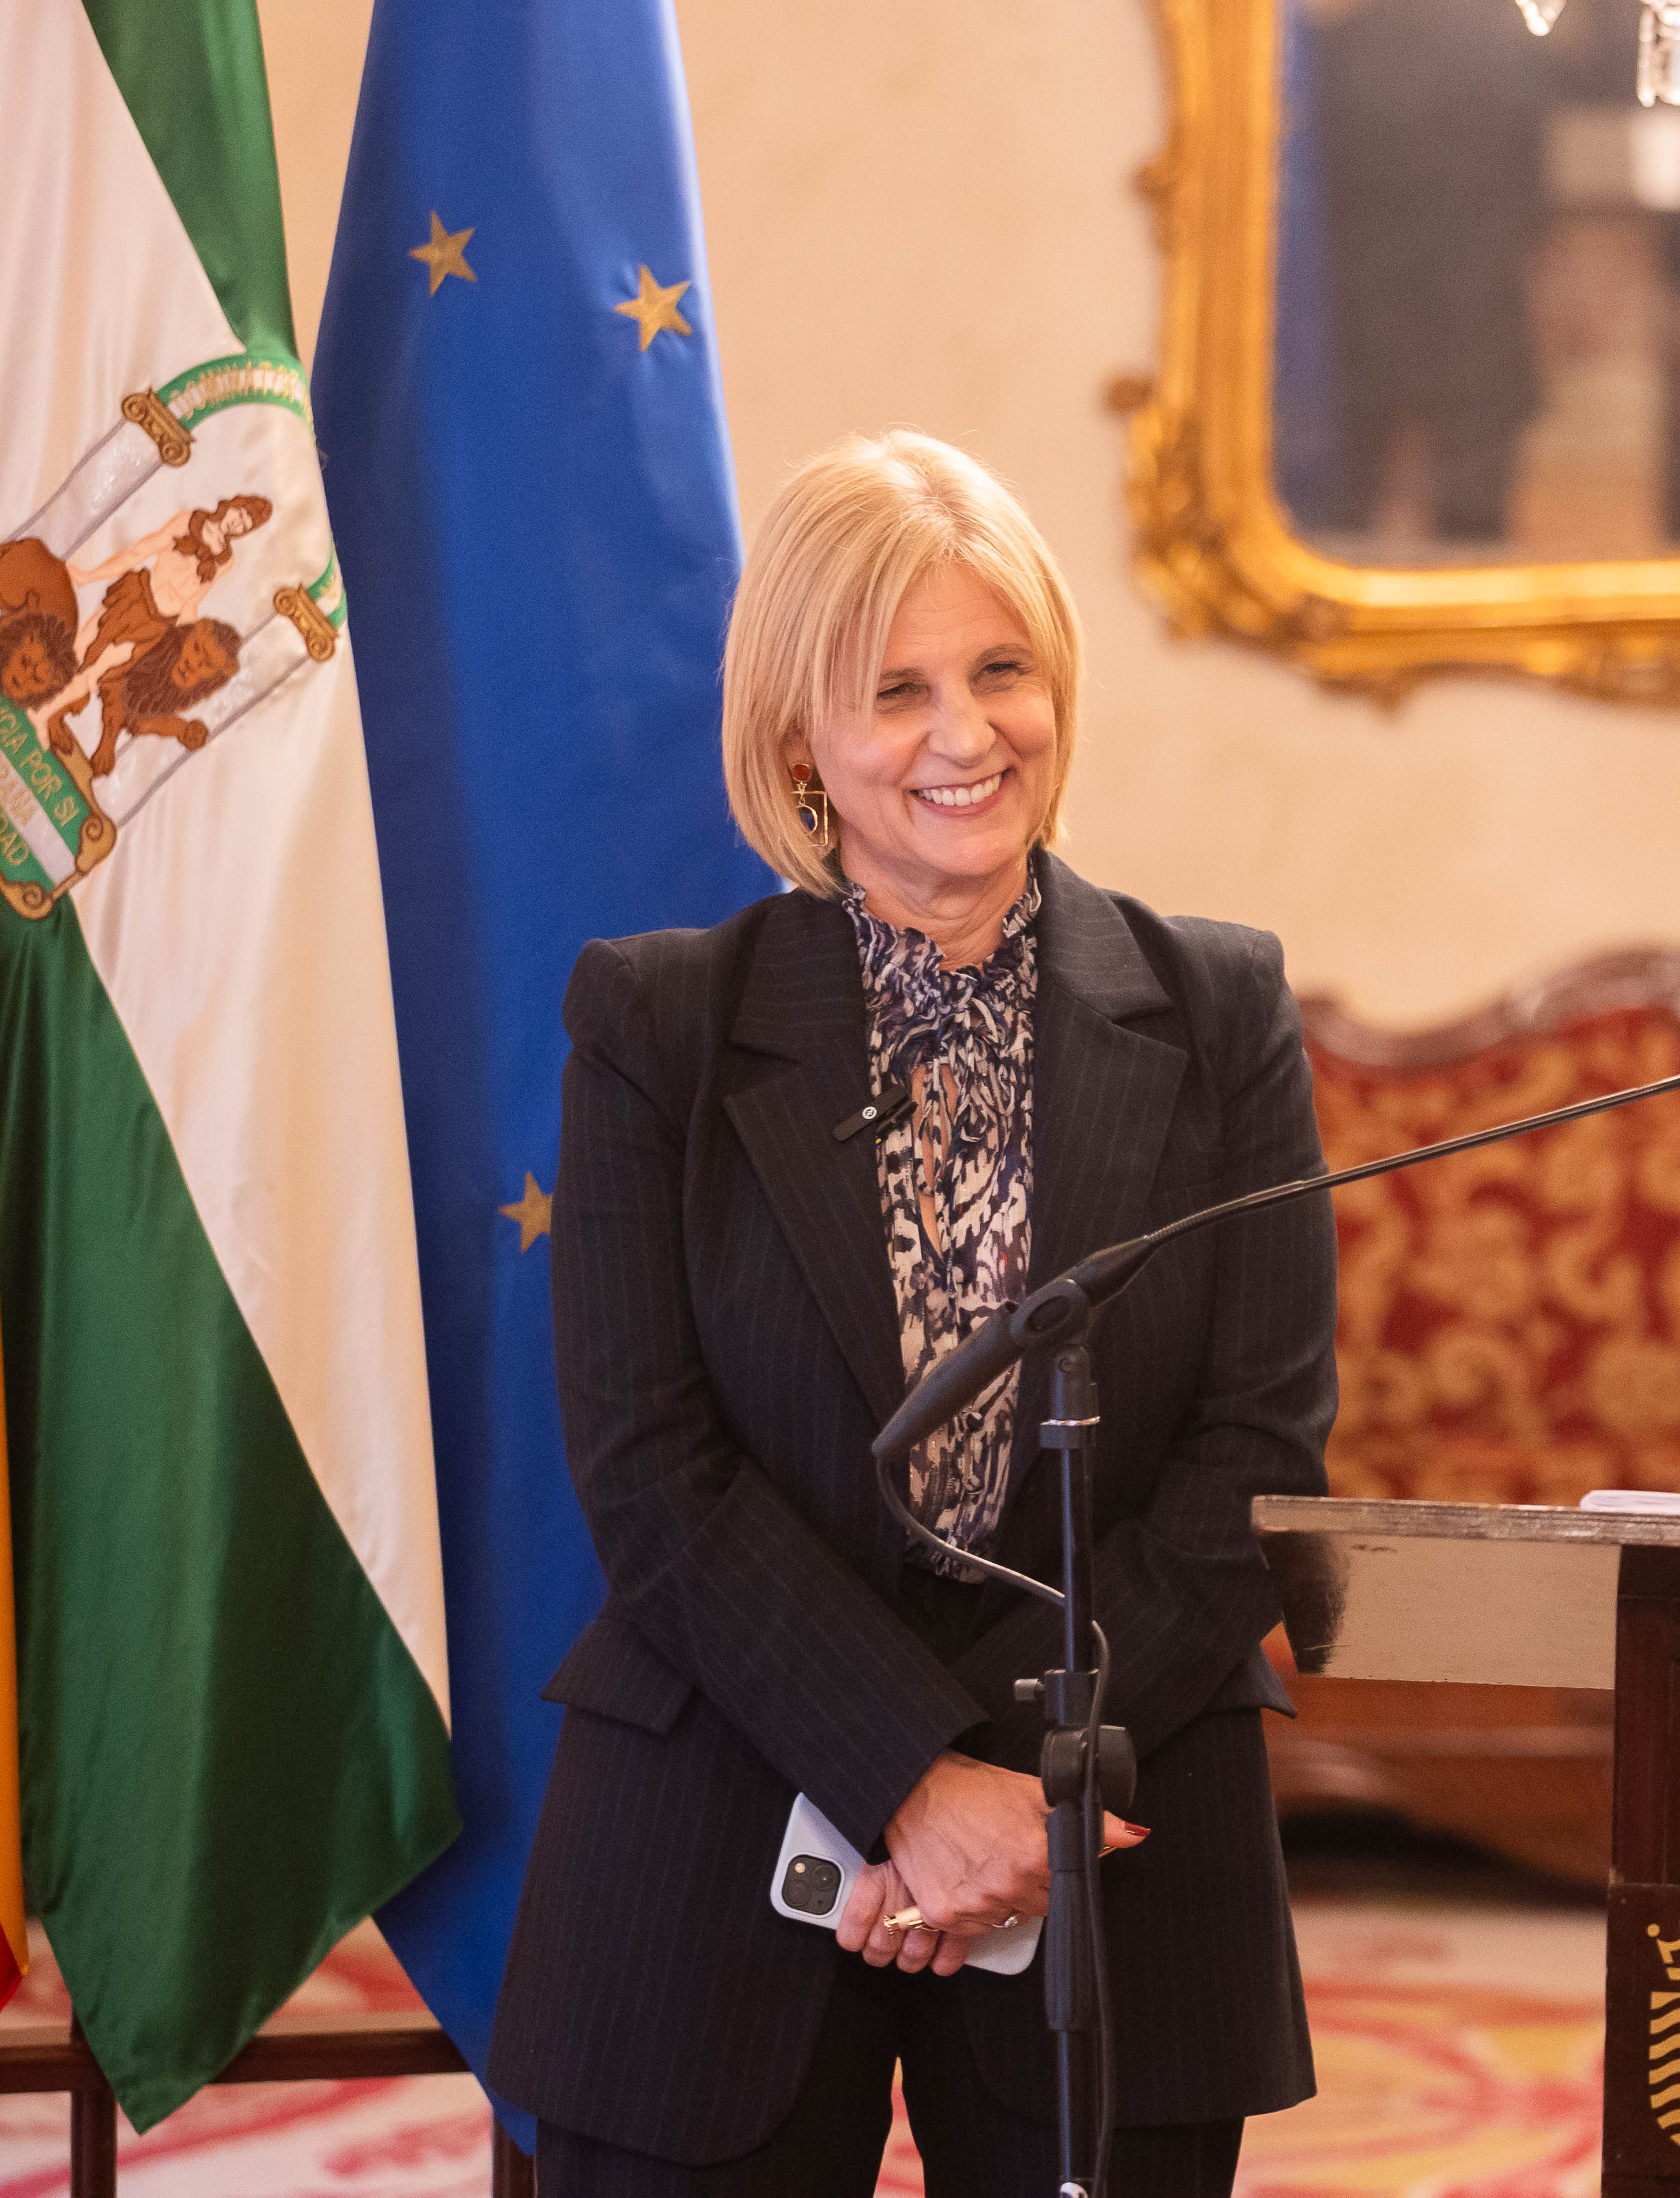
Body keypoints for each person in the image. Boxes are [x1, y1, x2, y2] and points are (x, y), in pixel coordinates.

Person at [486, 431, 1335, 2195]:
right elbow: (651, 1468)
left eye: (1002, 668)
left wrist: (1015, 1791)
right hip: (718, 1817)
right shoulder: (660, 1026)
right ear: (800, 740)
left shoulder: (1220, 1007)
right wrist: (902, 1777)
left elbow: (1258, 1446)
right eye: (897, 690)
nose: (968, 734)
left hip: (1114, 1821)